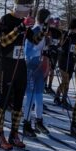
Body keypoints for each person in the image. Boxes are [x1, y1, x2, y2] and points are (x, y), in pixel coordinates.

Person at [0, 0, 42, 150]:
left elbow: (34, 40)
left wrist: (44, 30)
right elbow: (3, 42)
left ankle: (14, 133)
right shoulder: (5, 20)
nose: (29, 12)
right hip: (7, 64)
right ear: (20, 7)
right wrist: (20, 28)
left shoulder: (24, 21)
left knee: (19, 100)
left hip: (20, 63)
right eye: (27, 8)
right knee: (4, 100)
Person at [22, 8, 51, 136]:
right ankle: (26, 123)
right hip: (31, 66)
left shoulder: (43, 32)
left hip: (39, 65)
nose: (49, 22)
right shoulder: (34, 31)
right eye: (48, 19)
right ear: (44, 19)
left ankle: (39, 121)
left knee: (39, 96)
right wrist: (36, 57)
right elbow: (27, 51)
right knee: (31, 97)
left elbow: (43, 49)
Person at [54, 18, 76, 108]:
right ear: (75, 26)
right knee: (65, 80)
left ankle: (58, 96)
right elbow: (60, 45)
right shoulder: (66, 34)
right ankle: (63, 99)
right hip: (63, 59)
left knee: (66, 81)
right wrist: (66, 37)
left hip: (71, 61)